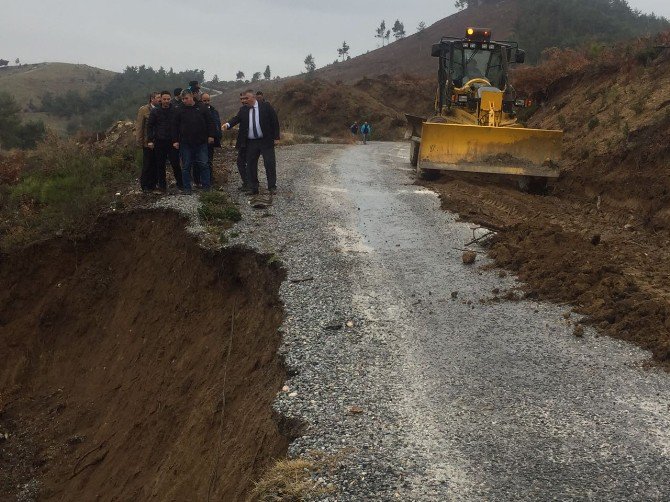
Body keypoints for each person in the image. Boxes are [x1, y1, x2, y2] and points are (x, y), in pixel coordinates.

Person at [222, 89, 280, 196]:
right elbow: (236, 119)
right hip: (251, 142)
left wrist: (276, 137)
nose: (244, 101)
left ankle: (272, 186)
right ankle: (254, 187)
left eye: (246, 98)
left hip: (265, 140)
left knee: (269, 163)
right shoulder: (243, 110)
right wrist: (228, 125)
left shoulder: (266, 107)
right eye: (243, 99)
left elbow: (274, 121)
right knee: (251, 165)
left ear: (253, 98)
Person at [172, 89, 216, 194]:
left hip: (201, 142)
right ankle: (187, 188)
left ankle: (206, 187)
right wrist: (175, 140)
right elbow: (174, 126)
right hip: (185, 143)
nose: (184, 100)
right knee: (186, 166)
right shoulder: (179, 109)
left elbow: (210, 122)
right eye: (182, 99)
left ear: (191, 96)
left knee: (204, 164)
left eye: (186, 98)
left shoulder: (202, 107)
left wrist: (211, 135)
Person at [148, 90, 182, 191]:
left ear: (170, 99)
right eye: (164, 99)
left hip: (173, 141)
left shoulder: (175, 110)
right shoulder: (155, 111)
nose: (166, 101)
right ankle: (162, 186)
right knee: (160, 165)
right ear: (161, 100)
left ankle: (181, 184)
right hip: (159, 141)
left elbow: (179, 125)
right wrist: (150, 140)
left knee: (175, 163)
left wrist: (178, 139)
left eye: (168, 99)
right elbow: (150, 126)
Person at [136, 91, 161, 192]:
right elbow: (139, 127)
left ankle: (153, 184)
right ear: (152, 99)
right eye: (158, 97)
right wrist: (139, 141)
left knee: (156, 164)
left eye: (160, 97)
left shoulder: (160, 109)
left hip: (158, 142)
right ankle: (145, 185)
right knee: (147, 164)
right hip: (147, 142)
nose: (159, 99)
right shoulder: (144, 110)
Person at [201, 93, 222, 183]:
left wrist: (218, 136)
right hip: (201, 140)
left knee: (209, 160)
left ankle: (209, 179)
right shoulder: (199, 111)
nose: (207, 102)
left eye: (208, 100)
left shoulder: (214, 111)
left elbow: (217, 124)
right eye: (204, 100)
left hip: (211, 140)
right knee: (201, 161)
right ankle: (200, 180)